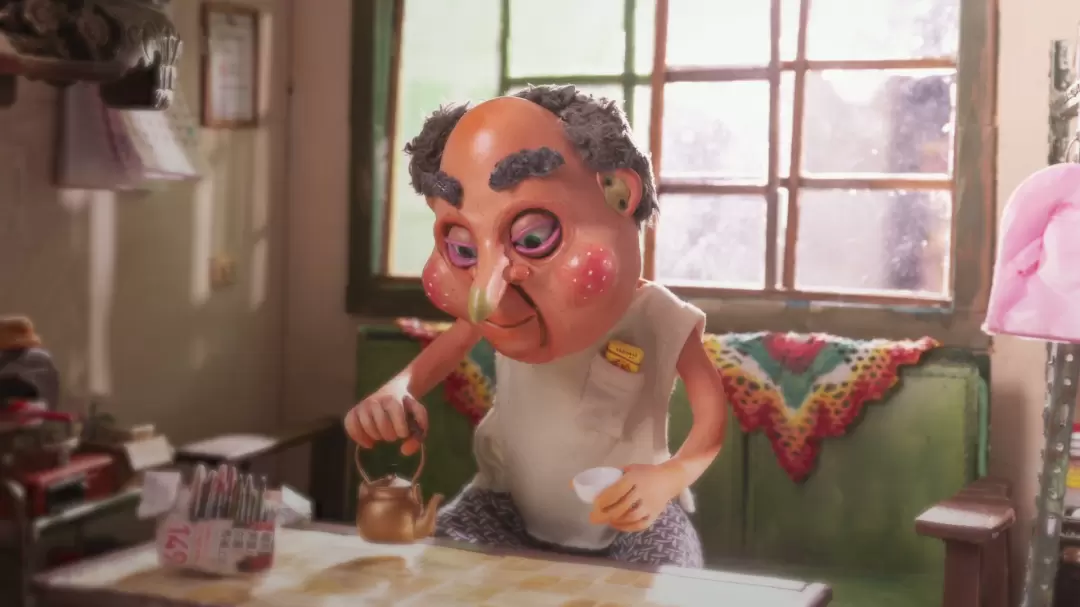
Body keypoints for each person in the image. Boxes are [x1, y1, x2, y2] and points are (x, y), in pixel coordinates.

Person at [344, 85, 727, 568]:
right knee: (434, 571)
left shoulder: (662, 316)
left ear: (619, 194)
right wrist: (396, 392)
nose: (486, 296)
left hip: (631, 515)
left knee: (674, 583)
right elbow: (437, 358)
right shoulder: (498, 311)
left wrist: (670, 476)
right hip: (505, 508)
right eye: (463, 248)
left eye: (532, 237)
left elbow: (711, 421)